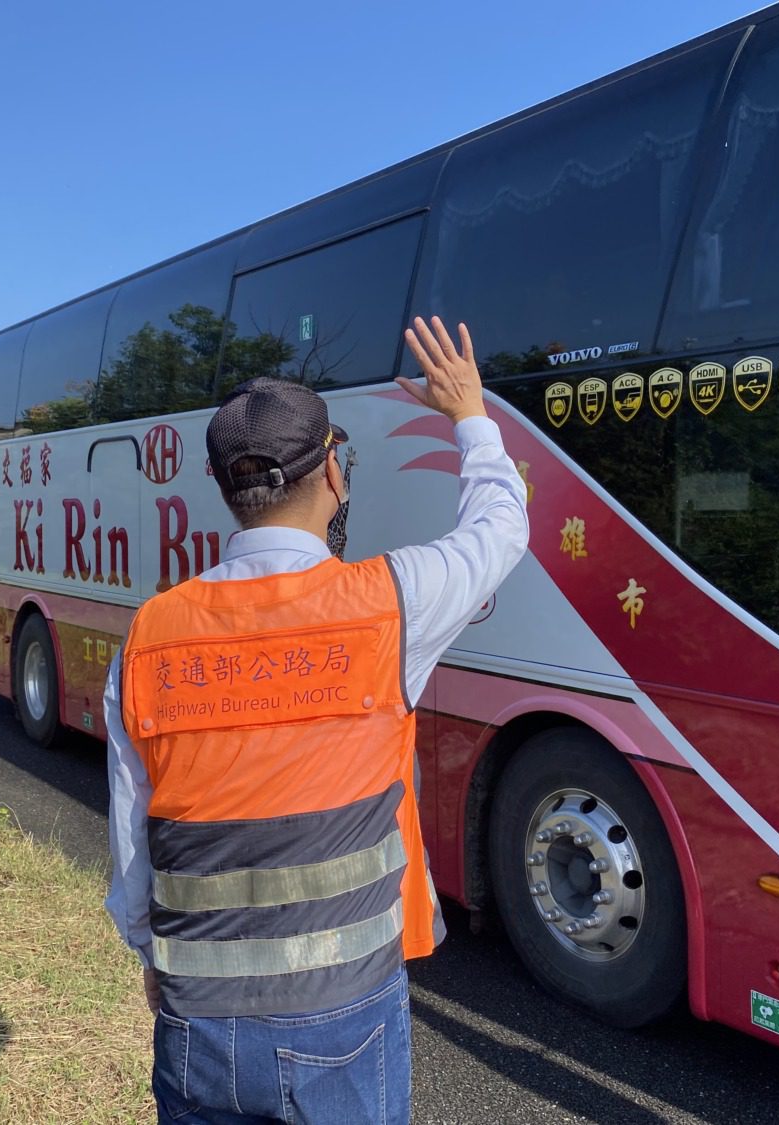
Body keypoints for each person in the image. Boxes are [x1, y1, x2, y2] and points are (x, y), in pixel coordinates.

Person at [103, 316, 529, 1125]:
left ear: (225, 487)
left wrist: (150, 952)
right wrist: (469, 412)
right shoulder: (389, 602)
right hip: (343, 1021)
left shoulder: (150, 633)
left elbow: (134, 834)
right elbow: (501, 528)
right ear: (333, 471)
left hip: (195, 1022)